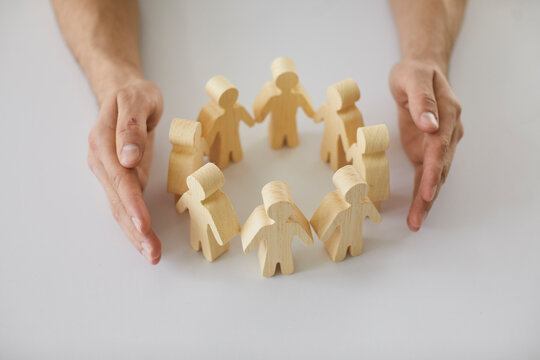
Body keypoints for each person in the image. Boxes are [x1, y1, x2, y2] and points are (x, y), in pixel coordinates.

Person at [51, 0, 465, 265]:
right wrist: (115, 76)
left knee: (327, 150)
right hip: (223, 150)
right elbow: (245, 215)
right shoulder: (210, 173)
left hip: (327, 166)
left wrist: (425, 54)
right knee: (229, 156)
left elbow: (328, 210)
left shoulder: (330, 169)